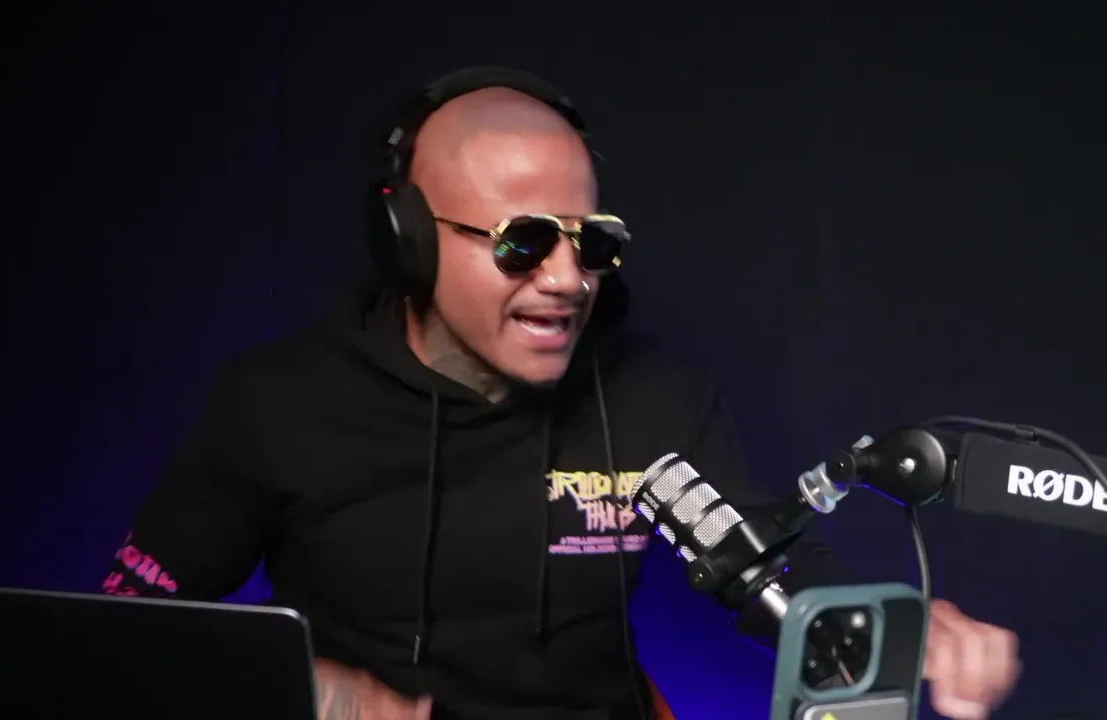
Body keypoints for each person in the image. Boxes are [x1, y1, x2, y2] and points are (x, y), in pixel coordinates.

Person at [103, 67, 1021, 720]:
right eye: (522, 242)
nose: (567, 278)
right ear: (409, 241)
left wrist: (904, 628)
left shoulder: (655, 395)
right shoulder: (279, 406)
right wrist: (301, 688)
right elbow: (126, 633)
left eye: (592, 242)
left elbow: (767, 569)